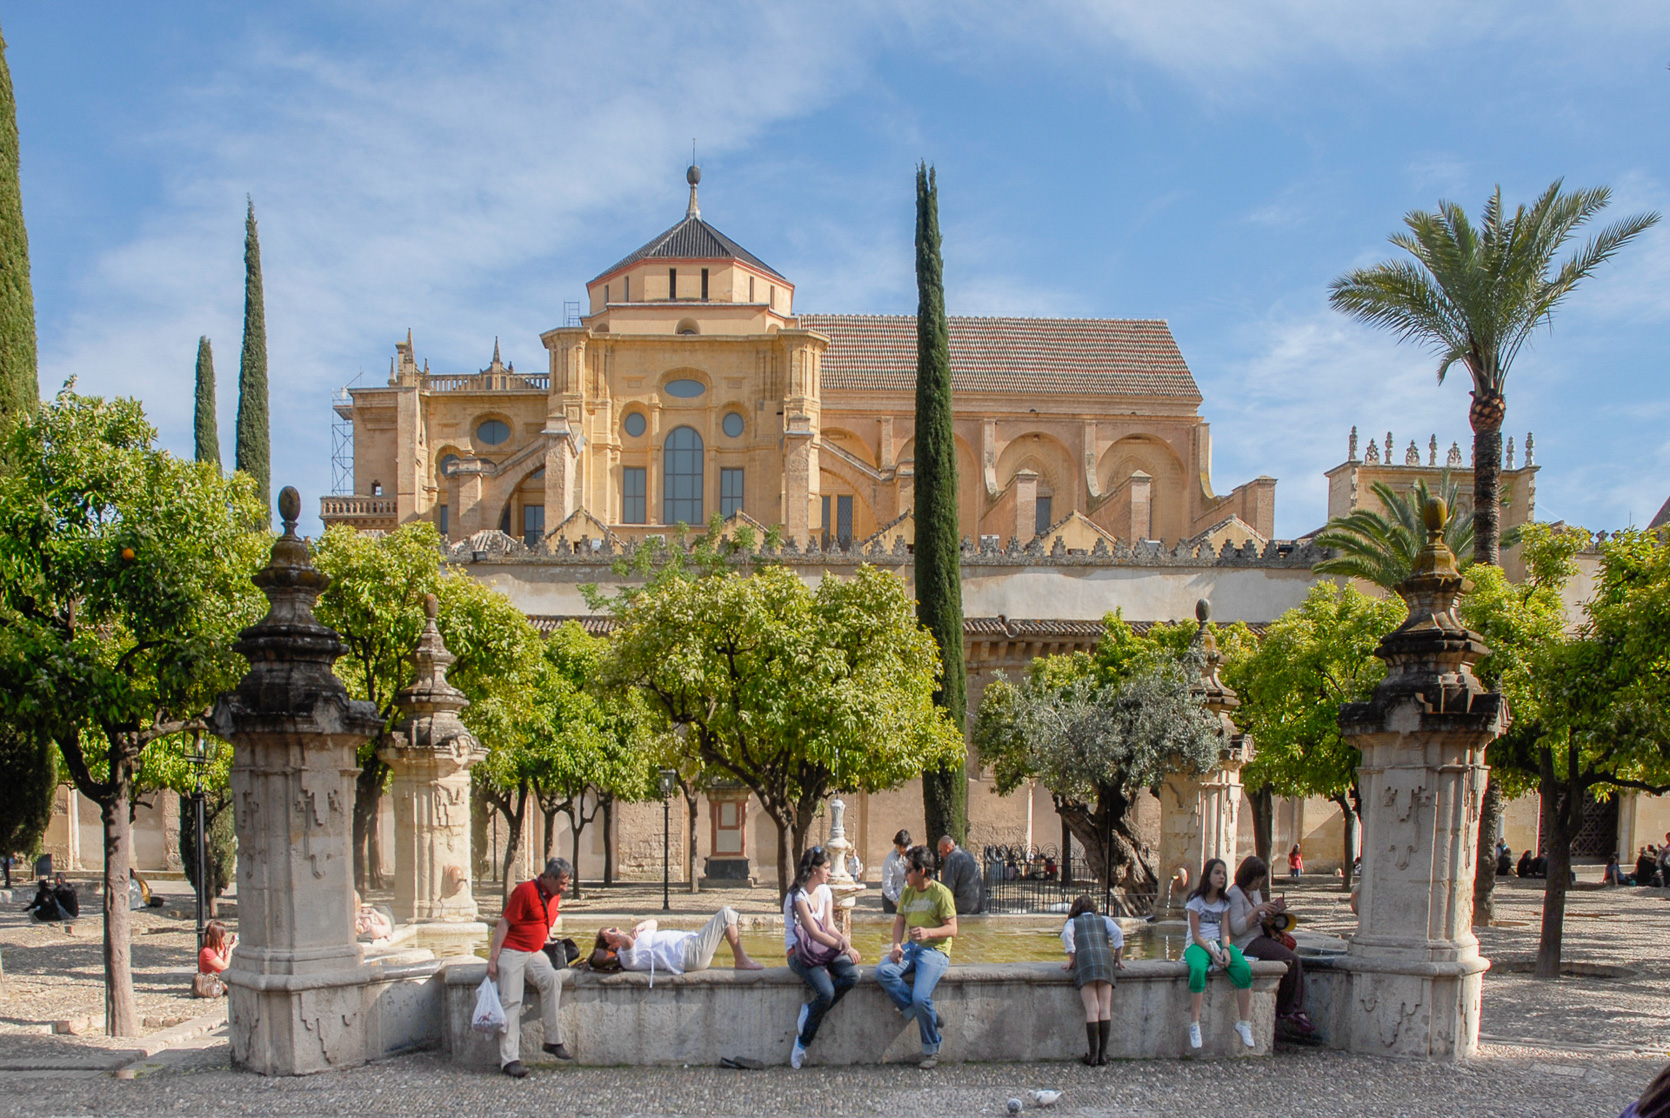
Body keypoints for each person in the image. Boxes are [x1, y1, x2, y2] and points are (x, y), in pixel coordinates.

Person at [487, 857, 573, 1079]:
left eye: (567, 883)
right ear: (549, 877)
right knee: (511, 1002)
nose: (565, 888)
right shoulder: (524, 891)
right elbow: (504, 923)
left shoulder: (555, 896)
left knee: (552, 979)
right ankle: (510, 1060)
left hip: (534, 952)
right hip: (512, 951)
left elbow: (544, 923)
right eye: (562, 883)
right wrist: (493, 959)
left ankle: (552, 1041)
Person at [875, 845, 957, 1069]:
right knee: (883, 971)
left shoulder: (942, 893)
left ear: (922, 871)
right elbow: (900, 921)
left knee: (922, 996)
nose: (905, 873)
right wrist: (896, 945)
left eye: (909, 869)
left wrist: (929, 932)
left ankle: (931, 1048)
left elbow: (953, 929)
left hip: (935, 950)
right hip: (911, 947)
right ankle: (921, 1014)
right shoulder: (908, 892)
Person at [784, 847, 861, 1069]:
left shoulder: (825, 891)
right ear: (815, 869)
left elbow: (828, 927)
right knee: (826, 991)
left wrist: (846, 943)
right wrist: (841, 947)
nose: (829, 872)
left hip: (823, 949)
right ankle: (802, 1042)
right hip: (801, 952)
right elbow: (813, 933)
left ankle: (810, 1009)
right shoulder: (798, 895)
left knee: (852, 976)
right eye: (826, 868)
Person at [1227, 855, 1313, 1034]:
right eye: (1256, 879)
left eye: (1261, 880)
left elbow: (1258, 918)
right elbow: (1237, 928)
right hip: (1246, 943)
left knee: (1290, 954)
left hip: (1259, 936)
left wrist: (1270, 914)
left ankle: (1286, 1007)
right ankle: (1292, 1009)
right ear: (1247, 876)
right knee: (1292, 959)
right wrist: (1257, 910)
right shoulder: (1235, 894)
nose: (1258, 884)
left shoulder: (1254, 892)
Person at [1184, 857, 1254, 1051]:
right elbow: (1196, 935)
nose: (1222, 876)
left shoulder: (1225, 902)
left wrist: (1225, 949)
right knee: (1198, 969)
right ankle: (1195, 1024)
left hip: (1218, 943)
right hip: (1198, 945)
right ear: (1208, 875)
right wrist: (1212, 953)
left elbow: (1225, 931)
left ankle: (1244, 1023)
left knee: (1244, 970)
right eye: (1217, 872)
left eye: (1224, 873)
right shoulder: (1195, 901)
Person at [597, 906, 765, 980]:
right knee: (726, 914)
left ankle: (741, 958)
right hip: (688, 955)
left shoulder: (634, 938)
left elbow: (654, 923)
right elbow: (627, 943)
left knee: (725, 915)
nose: (617, 929)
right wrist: (619, 937)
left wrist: (640, 926)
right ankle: (741, 959)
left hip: (691, 945)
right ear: (610, 943)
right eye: (612, 930)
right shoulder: (625, 956)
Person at [1059, 893, 1123, 1065]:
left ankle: (1093, 1056)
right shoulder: (1104, 920)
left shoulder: (1073, 922)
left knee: (1092, 1009)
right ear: (1093, 908)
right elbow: (1118, 933)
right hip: (1104, 960)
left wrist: (1072, 957)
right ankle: (1103, 1055)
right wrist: (1118, 957)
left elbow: (1066, 935)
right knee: (1105, 1008)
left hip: (1086, 962)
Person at [936, 834, 984, 915]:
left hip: (964, 905)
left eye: (940, 851)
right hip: (979, 903)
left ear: (947, 847)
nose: (940, 855)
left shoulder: (952, 858)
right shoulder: (967, 854)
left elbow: (946, 889)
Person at [196, 920, 236, 996]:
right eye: (223, 935)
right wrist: (230, 948)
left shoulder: (221, 948)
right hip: (211, 983)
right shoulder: (207, 952)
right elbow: (224, 967)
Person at [881, 830, 911, 915]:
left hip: (906, 895)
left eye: (904, 846)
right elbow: (886, 883)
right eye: (900, 846)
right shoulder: (890, 860)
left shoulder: (912, 855)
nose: (902, 849)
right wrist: (895, 900)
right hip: (891, 898)